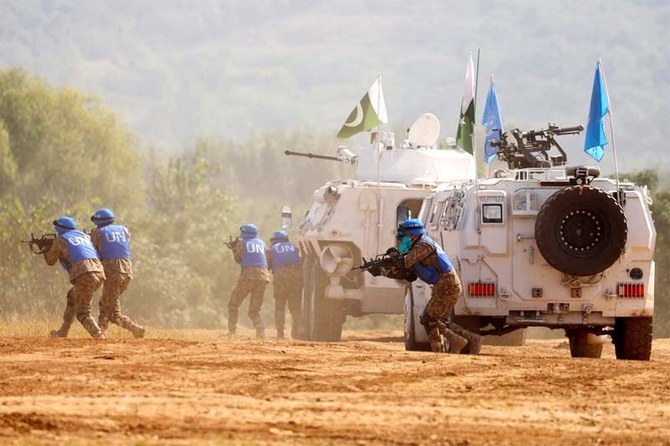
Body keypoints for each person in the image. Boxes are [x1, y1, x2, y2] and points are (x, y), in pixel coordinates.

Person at [393, 218, 482, 354]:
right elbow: (409, 271)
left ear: (413, 235)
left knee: (429, 319)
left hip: (447, 285)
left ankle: (451, 344)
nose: (402, 241)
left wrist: (391, 261)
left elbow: (406, 263)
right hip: (445, 285)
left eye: (404, 237)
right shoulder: (421, 244)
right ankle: (470, 339)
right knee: (439, 320)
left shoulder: (423, 245)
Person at [44, 216, 106, 339]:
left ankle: (99, 336)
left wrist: (46, 249)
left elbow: (50, 261)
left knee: (83, 312)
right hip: (99, 272)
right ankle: (63, 331)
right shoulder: (85, 236)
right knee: (72, 296)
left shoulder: (61, 239)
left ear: (59, 228)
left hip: (84, 275)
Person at [90, 208, 145, 338]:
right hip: (127, 271)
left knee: (113, 312)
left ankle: (135, 328)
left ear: (99, 221)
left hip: (113, 273)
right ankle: (101, 331)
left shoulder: (98, 232)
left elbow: (92, 250)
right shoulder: (124, 230)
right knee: (106, 303)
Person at [228, 223, 270, 339]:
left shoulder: (242, 244)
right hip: (263, 277)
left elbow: (238, 259)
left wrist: (234, 249)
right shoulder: (262, 243)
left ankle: (232, 332)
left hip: (248, 276)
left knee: (233, 304)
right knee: (254, 310)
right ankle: (260, 330)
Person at [266, 230, 303, 340]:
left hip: (281, 279)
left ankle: (280, 334)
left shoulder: (273, 249)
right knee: (296, 307)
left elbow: (266, 265)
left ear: (274, 240)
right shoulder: (295, 248)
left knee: (280, 307)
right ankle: (297, 332)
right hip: (297, 279)